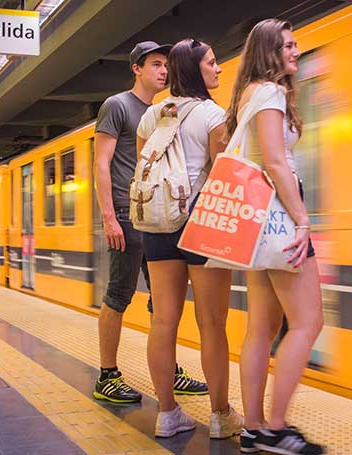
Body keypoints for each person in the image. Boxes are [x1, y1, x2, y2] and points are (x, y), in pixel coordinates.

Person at [136, 38, 244, 439]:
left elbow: (146, 176)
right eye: (212, 63)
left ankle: (167, 414)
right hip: (201, 225)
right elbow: (224, 177)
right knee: (212, 324)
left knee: (163, 321)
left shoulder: (151, 115)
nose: (218, 69)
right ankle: (220, 416)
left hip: (158, 227)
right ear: (195, 70)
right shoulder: (213, 116)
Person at [226, 19, 325, 455]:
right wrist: (302, 220)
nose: (295, 52)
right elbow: (274, 161)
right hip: (278, 213)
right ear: (268, 51)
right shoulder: (269, 93)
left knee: (262, 329)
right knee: (308, 321)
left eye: (296, 44)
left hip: (257, 216)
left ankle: (252, 426)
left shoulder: (250, 93)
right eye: (287, 45)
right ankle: (276, 428)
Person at [93, 41, 208, 404]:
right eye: (156, 64)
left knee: (165, 301)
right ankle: (107, 375)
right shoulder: (118, 106)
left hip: (160, 217)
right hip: (128, 215)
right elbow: (101, 163)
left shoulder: (165, 109)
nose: (163, 71)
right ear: (136, 69)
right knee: (119, 294)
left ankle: (168, 369)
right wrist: (109, 217)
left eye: (166, 65)